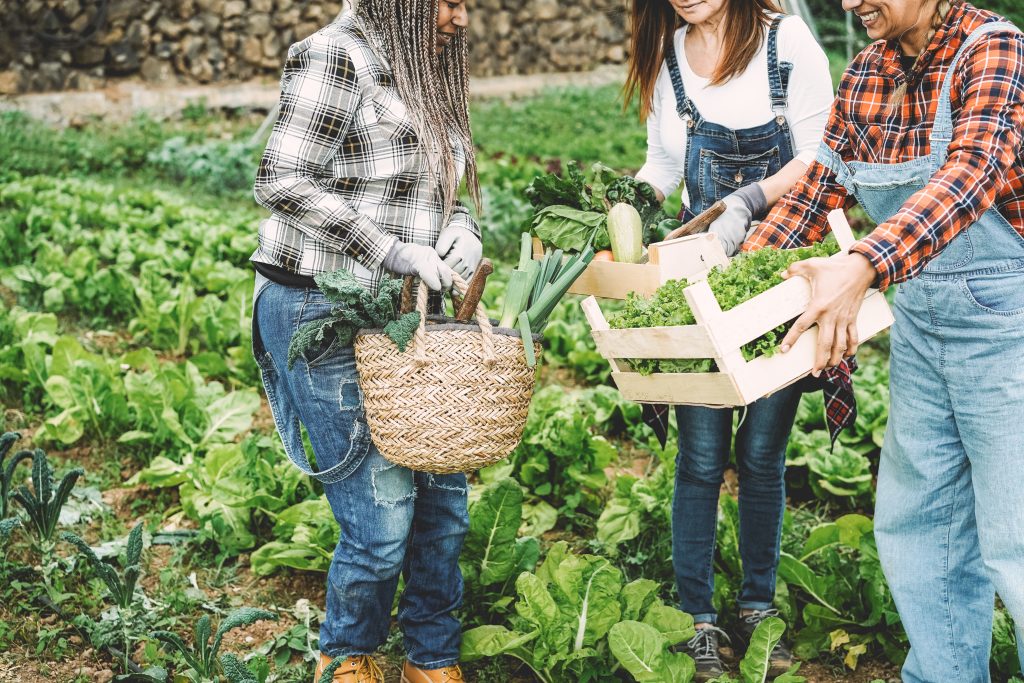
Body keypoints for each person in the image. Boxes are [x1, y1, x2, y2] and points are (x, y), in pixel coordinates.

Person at [743, 0, 1024, 679]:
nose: (849, 3)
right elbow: (816, 196)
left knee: (1017, 537)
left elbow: (971, 173)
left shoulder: (996, 49)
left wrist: (865, 263)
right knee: (920, 528)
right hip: (922, 328)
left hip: (1008, 327)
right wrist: (733, 293)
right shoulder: (866, 71)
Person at [250, 1, 480, 681]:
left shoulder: (427, 59)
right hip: (321, 305)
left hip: (408, 310)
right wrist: (393, 252)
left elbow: (436, 187)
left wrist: (459, 226)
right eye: (451, 3)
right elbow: (281, 178)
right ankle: (348, 652)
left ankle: (431, 655)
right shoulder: (336, 57)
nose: (462, 18)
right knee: (380, 524)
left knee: (443, 501)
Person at [624, 0, 834, 678]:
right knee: (702, 456)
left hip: (779, 278)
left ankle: (756, 606)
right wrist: (625, 206)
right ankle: (698, 621)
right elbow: (662, 163)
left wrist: (747, 202)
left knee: (763, 451)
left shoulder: (789, 45)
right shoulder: (669, 58)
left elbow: (821, 158)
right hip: (702, 283)